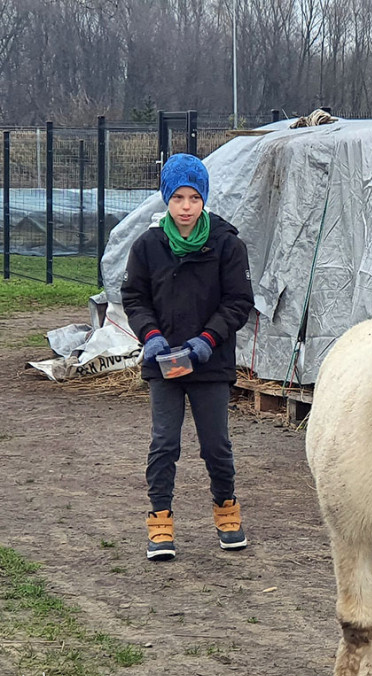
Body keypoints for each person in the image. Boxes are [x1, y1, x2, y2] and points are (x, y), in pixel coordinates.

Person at [122, 153, 255, 561]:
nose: (185, 206)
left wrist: (208, 340)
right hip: (164, 362)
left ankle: (226, 510)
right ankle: (160, 520)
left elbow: (238, 301)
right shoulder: (148, 246)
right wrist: (151, 335)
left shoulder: (227, 244)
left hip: (209, 362)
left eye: (193, 198)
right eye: (177, 197)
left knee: (216, 444)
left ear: (204, 200)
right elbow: (134, 297)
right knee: (164, 442)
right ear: (166, 198)